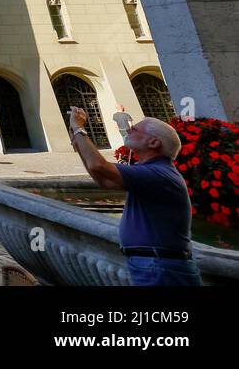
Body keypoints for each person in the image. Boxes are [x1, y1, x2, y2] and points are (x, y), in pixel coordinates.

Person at [67, 106, 200, 285]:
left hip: (160, 266)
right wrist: (77, 136)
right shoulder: (153, 171)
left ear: (153, 143)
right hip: (155, 264)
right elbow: (104, 181)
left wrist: (79, 129)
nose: (129, 129)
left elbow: (98, 166)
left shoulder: (157, 173)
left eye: (136, 129)